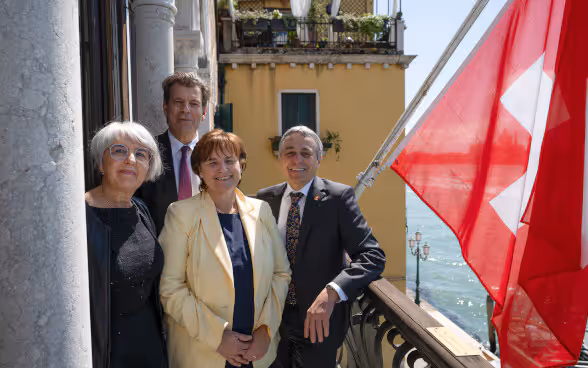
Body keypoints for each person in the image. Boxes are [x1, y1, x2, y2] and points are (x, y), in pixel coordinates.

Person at [159, 129, 291, 368]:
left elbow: (281, 274)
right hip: (203, 354)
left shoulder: (261, 211)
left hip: (257, 354)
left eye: (230, 161)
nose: (223, 169)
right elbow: (171, 288)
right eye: (212, 162)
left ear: (241, 165)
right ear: (199, 169)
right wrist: (217, 337)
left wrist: (266, 329)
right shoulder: (180, 215)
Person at [256, 126, 386, 368]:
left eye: (306, 153)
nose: (297, 160)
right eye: (290, 152)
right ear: (280, 157)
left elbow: (372, 255)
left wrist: (333, 291)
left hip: (318, 326)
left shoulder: (338, 198)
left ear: (319, 158)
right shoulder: (264, 199)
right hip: (272, 322)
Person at [85, 121, 167, 368]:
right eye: (119, 150)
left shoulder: (140, 210)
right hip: (106, 353)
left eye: (141, 154)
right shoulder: (79, 217)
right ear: (101, 163)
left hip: (149, 346)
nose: (131, 159)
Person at [136, 72, 209, 235]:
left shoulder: (215, 156)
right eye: (178, 102)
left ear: (204, 112)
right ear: (165, 107)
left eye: (194, 103)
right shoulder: (145, 154)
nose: (185, 110)